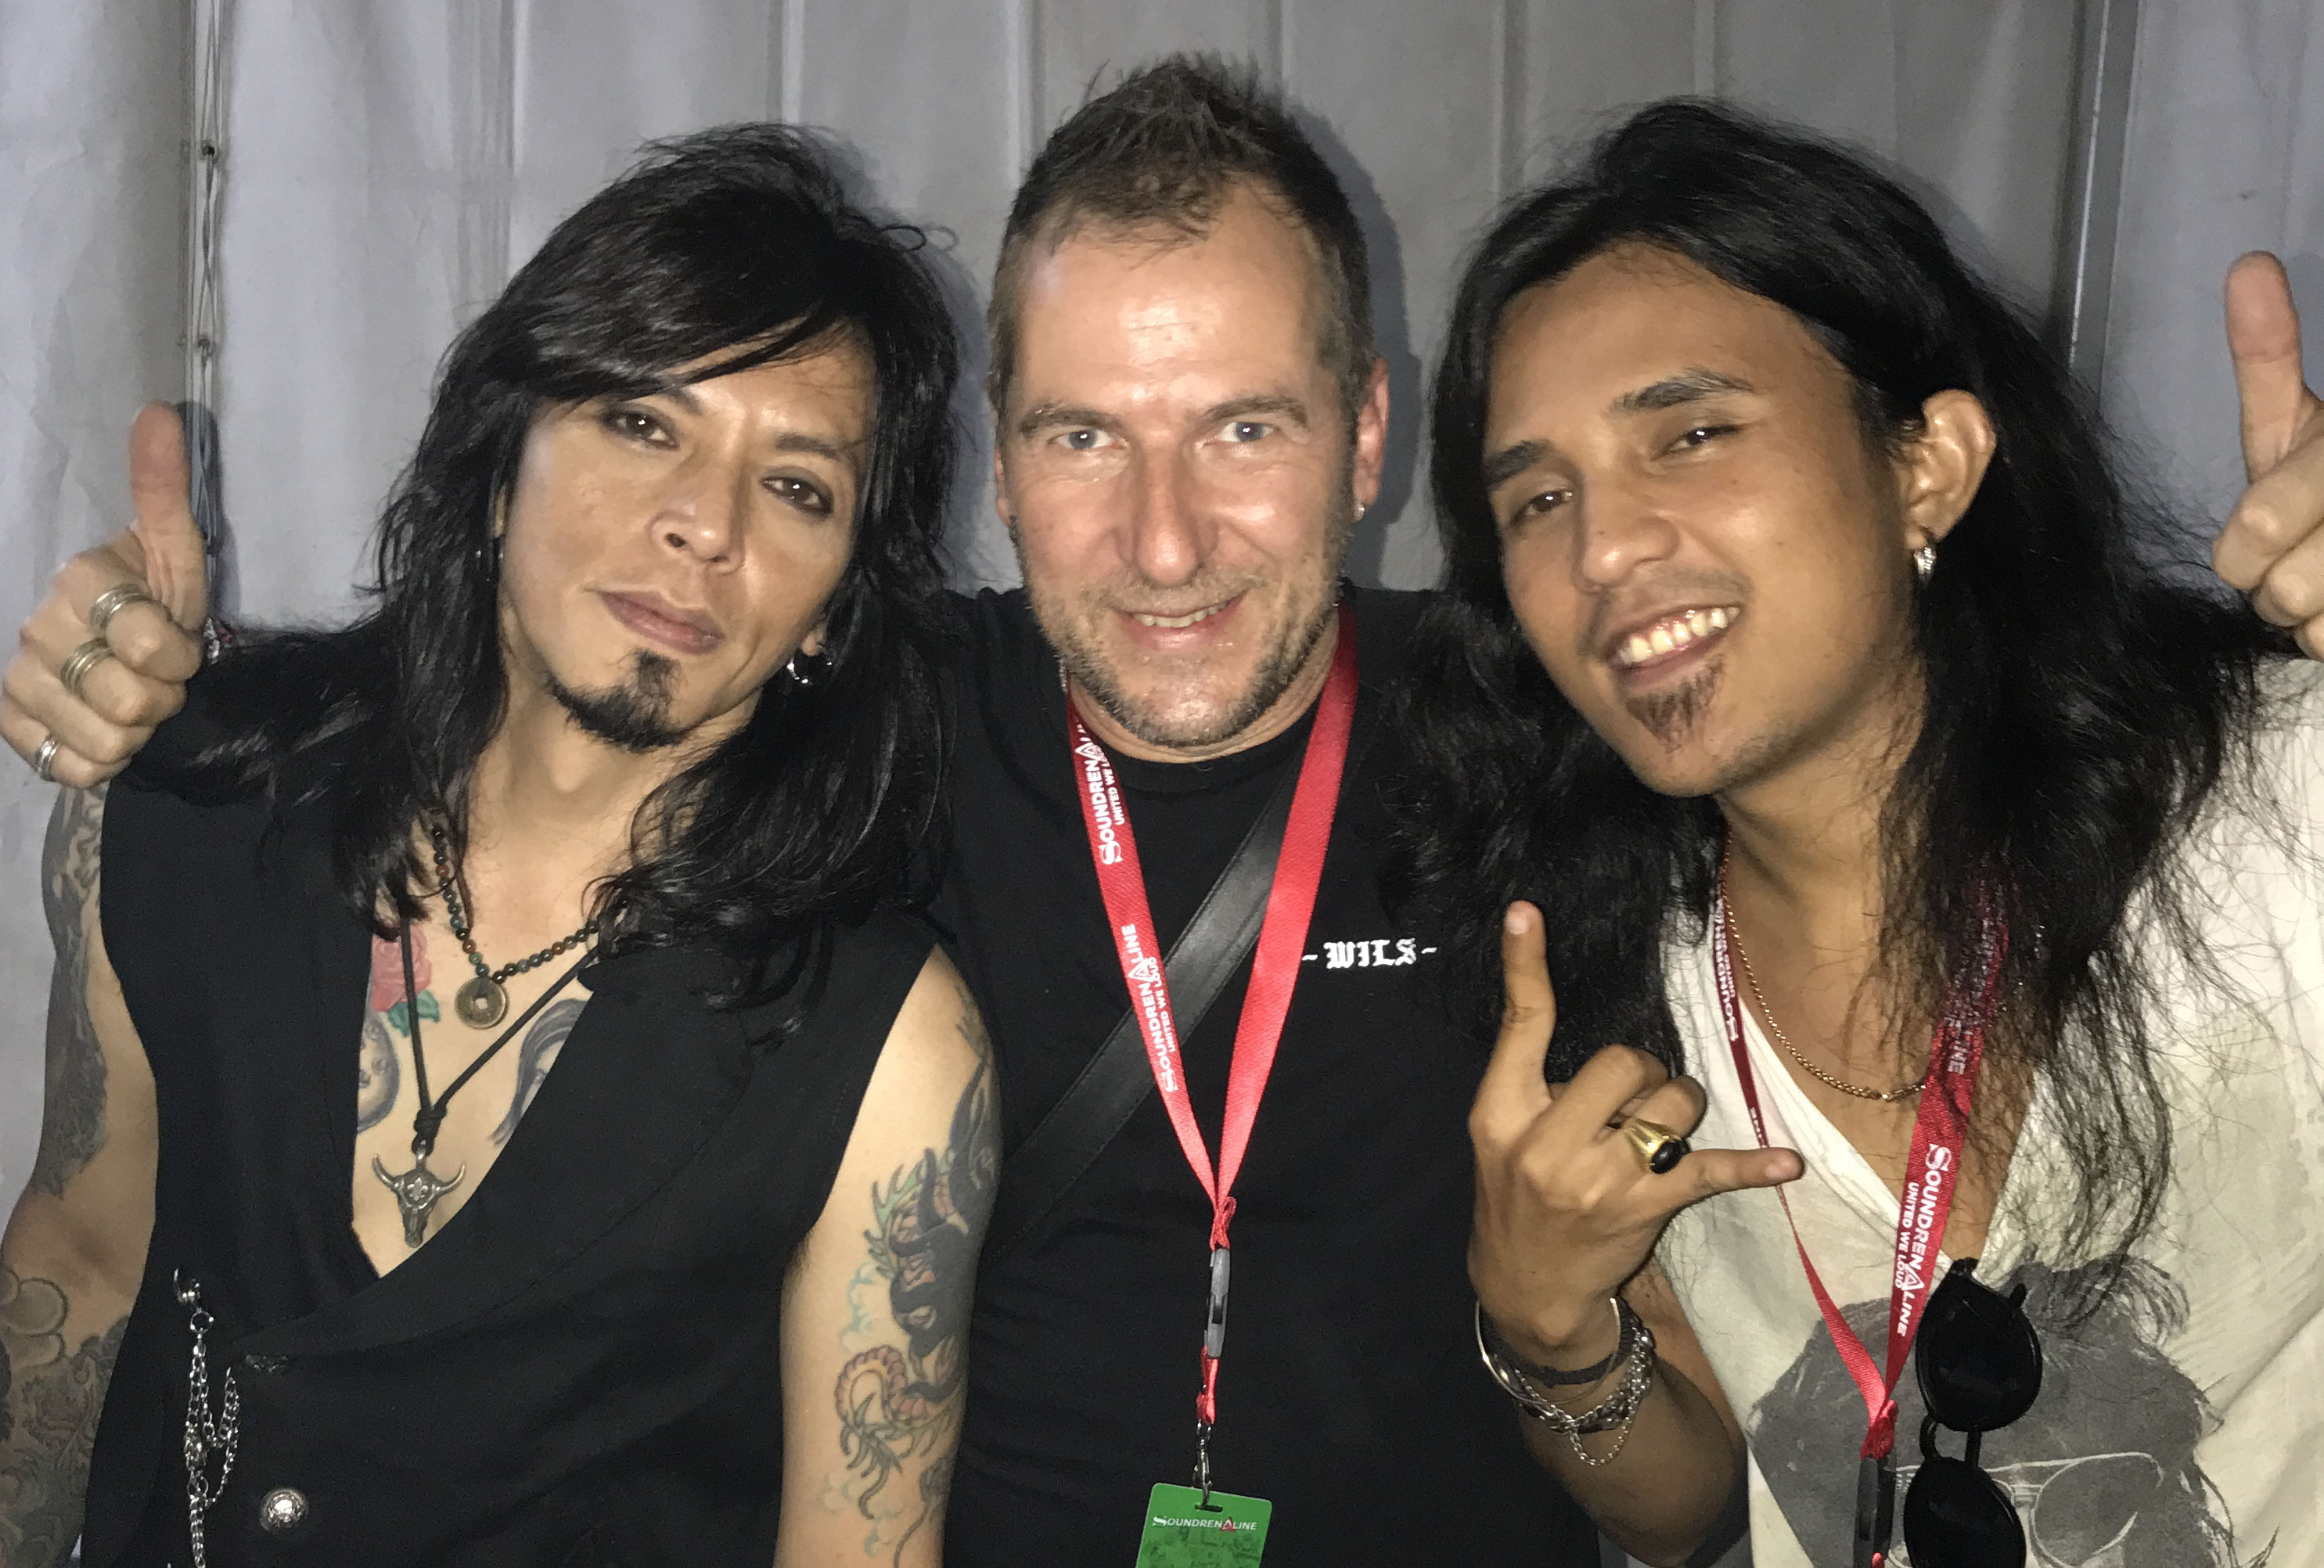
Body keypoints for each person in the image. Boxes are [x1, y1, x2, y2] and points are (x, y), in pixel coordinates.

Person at [11, 65, 2324, 1568]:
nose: (1162, 541)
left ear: (1364, 432)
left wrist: (2267, 638)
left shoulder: (1552, 714)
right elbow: (604, 653)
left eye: (1241, 429)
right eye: (1081, 441)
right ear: (996, 467)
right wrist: (191, 687)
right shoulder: (878, 719)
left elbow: (1891, 692)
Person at [0, 125, 997, 1567]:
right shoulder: (185, 811)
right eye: (641, 423)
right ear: (496, 465)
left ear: (834, 608)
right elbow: (78, 1267)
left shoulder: (885, 1049)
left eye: (797, 487)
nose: (702, 526)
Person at [1394, 100, 2324, 1566]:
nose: (1602, 547)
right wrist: (1544, 1324)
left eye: (1690, 434)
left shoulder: (2269, 811)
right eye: (1538, 498)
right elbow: (1691, 1509)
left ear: (1925, 466)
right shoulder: (1596, 963)